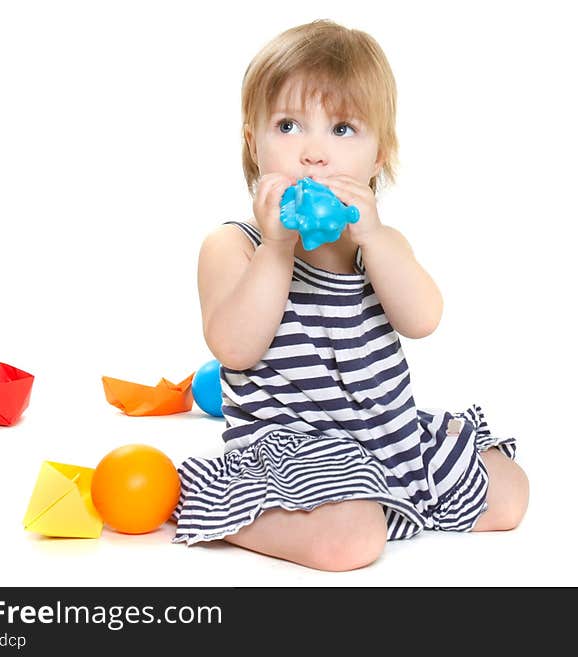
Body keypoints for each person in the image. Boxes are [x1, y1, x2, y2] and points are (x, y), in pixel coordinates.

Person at [173, 19, 529, 571]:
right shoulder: (235, 248)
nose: (314, 153)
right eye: (289, 125)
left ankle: (384, 499)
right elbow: (235, 349)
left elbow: (424, 318)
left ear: (379, 157)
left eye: (342, 130)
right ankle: (228, 508)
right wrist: (276, 249)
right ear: (253, 142)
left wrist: (375, 238)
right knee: (353, 543)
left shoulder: (378, 247)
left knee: (510, 493)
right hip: (293, 451)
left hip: (388, 440)